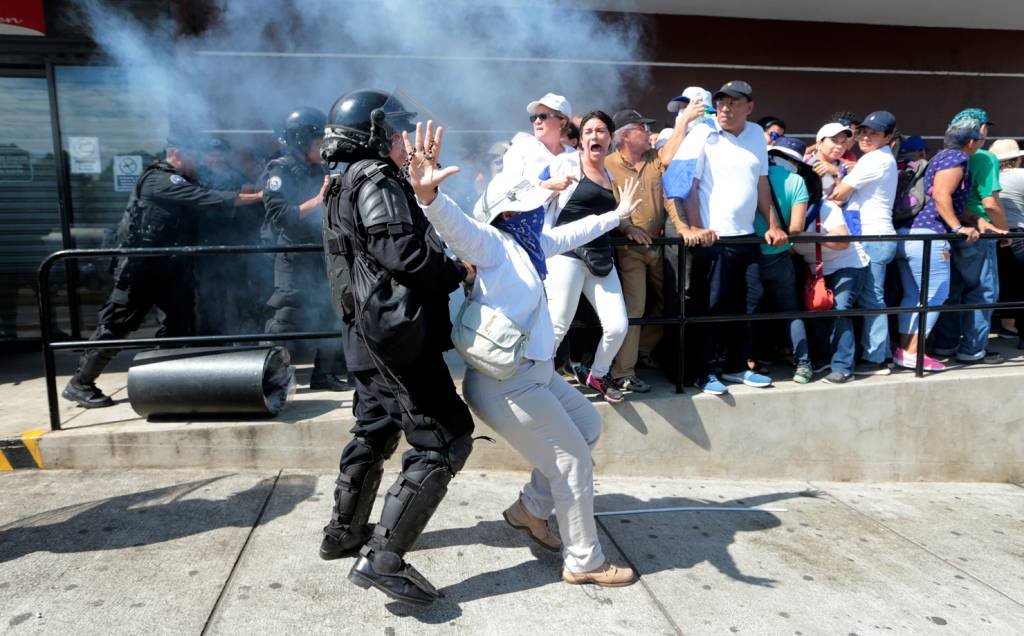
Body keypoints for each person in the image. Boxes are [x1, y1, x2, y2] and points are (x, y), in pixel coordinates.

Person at [408, 120, 639, 588]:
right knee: (572, 462)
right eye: (534, 207)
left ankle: (529, 510)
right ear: (512, 214)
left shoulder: (533, 246)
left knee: (588, 428)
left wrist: (619, 214)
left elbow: (577, 232)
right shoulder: (493, 244)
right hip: (503, 382)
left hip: (533, 374)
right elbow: (457, 226)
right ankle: (584, 560)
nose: (543, 212)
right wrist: (427, 196)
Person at [317, 89, 476, 608]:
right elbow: (403, 254)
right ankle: (385, 560)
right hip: (393, 342)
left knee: (375, 428)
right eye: (397, 130)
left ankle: (343, 532)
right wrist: (456, 269)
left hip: (365, 337)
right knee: (445, 439)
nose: (405, 139)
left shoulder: (341, 179)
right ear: (375, 131)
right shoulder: (376, 178)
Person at [61, 139, 263, 408]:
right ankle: (80, 383)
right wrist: (259, 197)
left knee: (180, 322)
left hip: (168, 269)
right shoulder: (159, 180)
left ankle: (161, 376)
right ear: (177, 153)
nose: (200, 163)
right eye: (196, 156)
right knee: (117, 325)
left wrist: (250, 189)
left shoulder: (180, 180)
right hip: (140, 269)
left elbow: (214, 192)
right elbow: (209, 199)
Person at [669, 79, 788, 394]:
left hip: (747, 237)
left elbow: (762, 183)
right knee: (711, 307)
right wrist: (695, 227)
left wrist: (773, 224)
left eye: (734, 102)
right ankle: (703, 371)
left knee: (750, 302)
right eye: (721, 101)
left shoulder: (755, 137)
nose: (725, 107)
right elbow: (688, 185)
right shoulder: (703, 133)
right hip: (714, 240)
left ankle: (737, 366)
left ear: (749, 107)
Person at [544, 111, 644, 403]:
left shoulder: (612, 174)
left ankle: (597, 375)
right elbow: (534, 191)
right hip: (566, 255)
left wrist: (627, 226)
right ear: (581, 138)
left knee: (617, 325)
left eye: (600, 131)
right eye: (588, 131)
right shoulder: (566, 163)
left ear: (610, 138)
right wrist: (549, 186)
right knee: (558, 325)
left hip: (600, 257)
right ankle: (536, 380)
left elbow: (613, 215)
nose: (594, 136)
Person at [260, 107, 349, 391]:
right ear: (300, 140)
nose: (323, 148)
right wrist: (319, 199)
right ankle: (263, 376)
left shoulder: (319, 168)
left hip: (321, 252)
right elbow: (281, 216)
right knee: (285, 318)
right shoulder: (280, 169)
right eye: (317, 142)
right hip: (293, 256)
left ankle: (324, 375)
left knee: (330, 313)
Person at [604, 108, 691, 392]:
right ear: (626, 135)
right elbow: (612, 205)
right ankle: (624, 371)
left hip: (658, 245)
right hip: (629, 249)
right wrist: (627, 228)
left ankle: (642, 351)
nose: (649, 133)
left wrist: (683, 227)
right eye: (643, 128)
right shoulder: (608, 165)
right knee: (635, 308)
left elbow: (668, 198)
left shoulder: (655, 159)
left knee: (667, 303)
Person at [891, 119, 984, 371]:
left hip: (909, 233)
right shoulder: (957, 160)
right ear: (972, 142)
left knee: (914, 296)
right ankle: (913, 353)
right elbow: (942, 195)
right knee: (935, 294)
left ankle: (905, 351)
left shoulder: (939, 158)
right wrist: (958, 228)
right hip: (929, 235)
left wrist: (975, 220)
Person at [933, 109, 1008, 364]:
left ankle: (945, 344)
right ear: (978, 130)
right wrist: (1004, 230)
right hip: (978, 230)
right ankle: (973, 348)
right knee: (982, 290)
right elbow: (990, 203)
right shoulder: (984, 157)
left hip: (948, 228)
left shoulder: (945, 155)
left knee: (952, 289)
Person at [828, 111, 900, 376]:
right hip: (872, 235)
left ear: (888, 137)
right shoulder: (879, 158)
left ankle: (876, 359)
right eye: (863, 131)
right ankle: (878, 354)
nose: (866, 137)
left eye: (874, 133)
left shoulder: (875, 160)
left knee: (872, 299)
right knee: (871, 298)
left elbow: (838, 194)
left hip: (873, 236)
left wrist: (833, 172)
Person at [752, 136, 815, 383]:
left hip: (750, 253)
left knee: (750, 310)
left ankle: (749, 360)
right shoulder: (797, 181)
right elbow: (797, 227)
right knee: (791, 311)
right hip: (780, 254)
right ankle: (803, 364)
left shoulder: (755, 177)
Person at [791, 194, 869, 383]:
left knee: (840, 310)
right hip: (816, 271)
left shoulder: (825, 207)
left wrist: (802, 236)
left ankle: (843, 367)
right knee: (816, 311)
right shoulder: (781, 213)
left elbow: (843, 242)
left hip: (848, 264)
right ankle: (824, 359)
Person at [500, 92, 576, 192]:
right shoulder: (520, 149)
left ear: (562, 122)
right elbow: (508, 189)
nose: (537, 121)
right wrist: (545, 185)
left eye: (543, 116)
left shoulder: (575, 157)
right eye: (534, 117)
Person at [989, 138, 1024, 342]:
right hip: (1020, 234)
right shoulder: (1020, 176)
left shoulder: (992, 178)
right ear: (1016, 159)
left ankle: (1008, 327)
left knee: (1008, 283)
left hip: (998, 236)